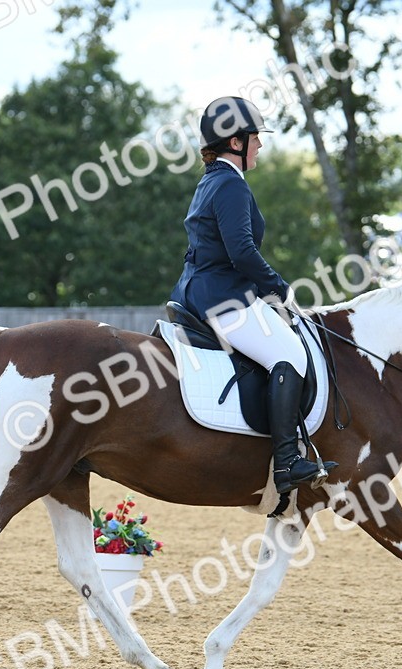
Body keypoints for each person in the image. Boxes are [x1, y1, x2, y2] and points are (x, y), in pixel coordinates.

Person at [170, 96, 335, 495]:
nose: (260, 144)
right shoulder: (230, 185)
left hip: (198, 291)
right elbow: (241, 252)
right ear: (235, 142)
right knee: (290, 354)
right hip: (223, 298)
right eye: (255, 137)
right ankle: (287, 462)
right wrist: (279, 287)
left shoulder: (211, 180)